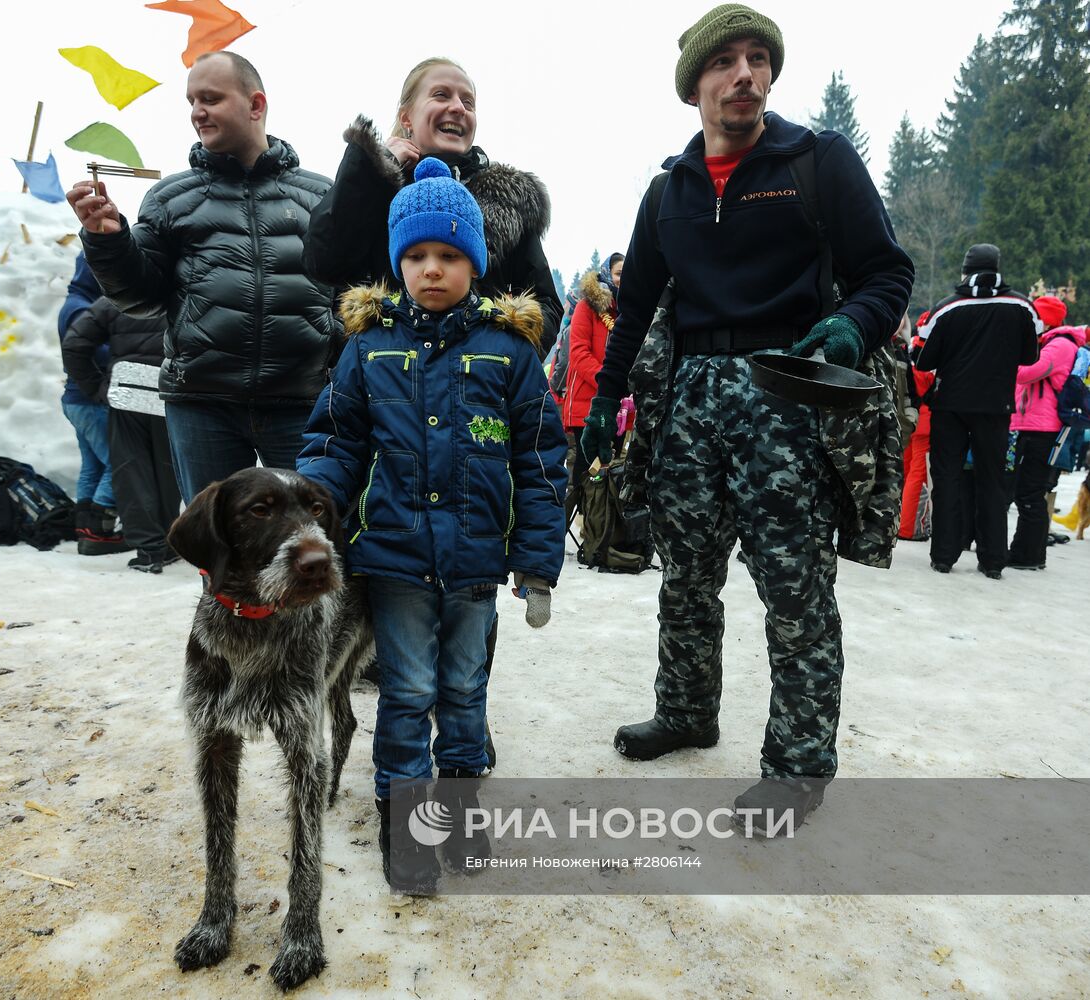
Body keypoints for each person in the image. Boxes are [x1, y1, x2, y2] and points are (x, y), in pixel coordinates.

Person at [579, 4, 913, 831]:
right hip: (690, 398)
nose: (746, 75)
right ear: (694, 83)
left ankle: (797, 769)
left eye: (759, 59)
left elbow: (886, 272)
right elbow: (633, 314)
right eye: (725, 61)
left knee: (795, 590)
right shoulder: (669, 192)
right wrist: (598, 410)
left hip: (786, 394)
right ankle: (687, 711)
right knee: (686, 576)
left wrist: (852, 326)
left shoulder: (816, 162)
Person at [297, 158, 567, 890]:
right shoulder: (367, 350)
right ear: (397, 264)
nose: (431, 269)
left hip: (478, 564)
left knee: (465, 693)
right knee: (408, 694)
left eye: (448, 255)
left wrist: (539, 563)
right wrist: (314, 508)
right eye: (415, 256)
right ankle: (408, 828)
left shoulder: (510, 354)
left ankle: (460, 808)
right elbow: (335, 443)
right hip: (395, 562)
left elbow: (542, 459)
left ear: (475, 262)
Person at [67, 50, 338, 503]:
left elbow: (347, 294)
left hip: (302, 404)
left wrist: (335, 364)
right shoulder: (170, 197)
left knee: (307, 543)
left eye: (210, 98)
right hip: (201, 405)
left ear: (255, 105)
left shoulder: (320, 195)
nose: (197, 112)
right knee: (218, 552)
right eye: (191, 101)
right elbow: (138, 298)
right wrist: (107, 240)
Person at [301, 57, 563, 355]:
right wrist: (372, 168)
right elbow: (323, 261)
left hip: (481, 391)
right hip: (387, 385)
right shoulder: (375, 188)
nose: (458, 108)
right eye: (441, 95)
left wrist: (499, 361)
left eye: (468, 102)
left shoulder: (510, 198)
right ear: (406, 117)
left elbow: (545, 305)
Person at [914, 244, 1040, 578]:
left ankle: (944, 554)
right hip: (996, 404)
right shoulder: (1021, 306)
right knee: (992, 481)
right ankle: (993, 560)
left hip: (950, 404)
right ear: (997, 267)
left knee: (947, 478)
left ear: (965, 270)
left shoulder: (948, 307)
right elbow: (1030, 357)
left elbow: (924, 360)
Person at [61, 297, 183, 573]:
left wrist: (96, 388)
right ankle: (167, 544)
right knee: (169, 471)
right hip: (171, 390)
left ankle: (148, 550)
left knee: (132, 472)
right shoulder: (181, 293)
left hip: (128, 393)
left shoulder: (114, 300)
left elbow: (74, 345)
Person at [1005, 295, 1084, 570]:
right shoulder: (1047, 342)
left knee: (1030, 493)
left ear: (1046, 318)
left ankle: (1027, 555)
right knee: (1027, 492)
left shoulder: (1060, 344)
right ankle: (1030, 553)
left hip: (1044, 428)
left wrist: (1005, 357)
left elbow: (1029, 373)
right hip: (1030, 424)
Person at [55, 253, 126, 555]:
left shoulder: (75, 303)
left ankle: (84, 526)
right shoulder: (81, 308)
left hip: (78, 400)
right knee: (116, 464)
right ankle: (99, 529)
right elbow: (90, 351)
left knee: (93, 465)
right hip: (89, 400)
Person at [563, 254, 624, 528]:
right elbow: (578, 354)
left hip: (621, 409)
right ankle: (555, 530)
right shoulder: (588, 307)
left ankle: (599, 533)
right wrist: (609, 381)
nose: (623, 279)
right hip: (587, 405)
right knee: (582, 471)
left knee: (610, 469)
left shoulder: (628, 311)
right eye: (618, 273)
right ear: (606, 274)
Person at [898, 312, 936, 541]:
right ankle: (909, 527)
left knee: (906, 471)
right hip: (926, 419)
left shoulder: (909, 348)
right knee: (918, 476)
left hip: (910, 418)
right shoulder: (928, 355)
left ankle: (900, 521)